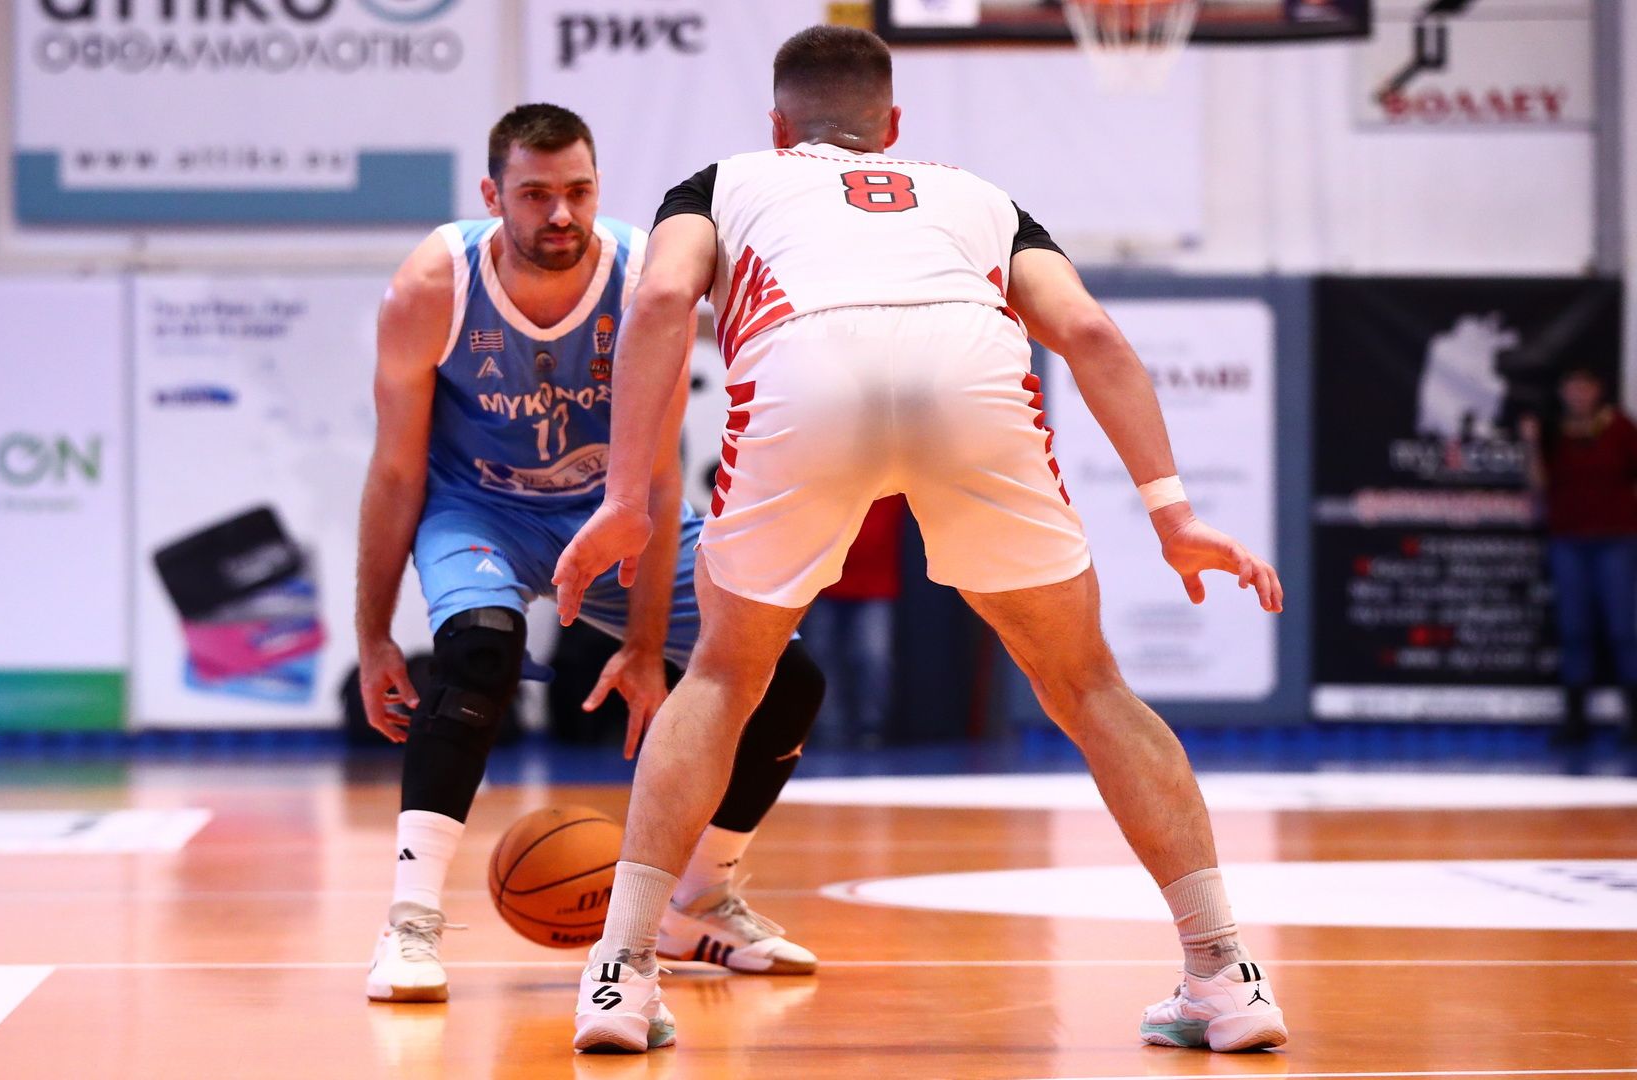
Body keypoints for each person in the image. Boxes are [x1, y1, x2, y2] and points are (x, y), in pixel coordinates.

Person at [552, 27, 1287, 1055]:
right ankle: (1225, 974)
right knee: (1088, 686)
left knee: (721, 677)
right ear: (892, 126)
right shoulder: (976, 194)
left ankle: (623, 977)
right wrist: (1173, 513)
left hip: (805, 368)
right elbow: (1090, 334)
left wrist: (626, 495)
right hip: (968, 369)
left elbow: (666, 299)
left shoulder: (721, 183)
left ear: (778, 126)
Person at [356, 104, 824, 1004]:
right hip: (479, 508)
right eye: (535, 194)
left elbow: (659, 475)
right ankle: (410, 922)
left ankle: (699, 901)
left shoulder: (646, 279)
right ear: (493, 196)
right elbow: (396, 471)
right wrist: (373, 635)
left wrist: (645, 646)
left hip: (607, 514)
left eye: (578, 190)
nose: (561, 213)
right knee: (480, 652)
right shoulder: (432, 286)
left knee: (790, 679)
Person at [1521, 366, 1637, 746]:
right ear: (1562, 393)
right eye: (1571, 388)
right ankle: (1575, 719)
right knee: (1574, 629)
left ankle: (1633, 719)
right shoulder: (1554, 432)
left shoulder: (1620, 428)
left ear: (1598, 390)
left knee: (1623, 629)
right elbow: (1538, 485)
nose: (1578, 395)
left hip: (1617, 540)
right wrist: (1531, 444)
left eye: (1584, 388)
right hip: (1568, 541)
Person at [799, 495, 905, 749]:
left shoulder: (893, 481)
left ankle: (870, 729)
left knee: (873, 656)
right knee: (821, 657)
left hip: (874, 585)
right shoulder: (826, 480)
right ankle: (829, 730)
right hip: (823, 584)